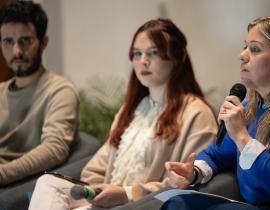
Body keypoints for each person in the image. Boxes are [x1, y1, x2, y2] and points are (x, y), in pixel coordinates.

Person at [28, 18, 218, 209]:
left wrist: (126, 194)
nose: (143, 61)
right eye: (137, 54)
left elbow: (184, 185)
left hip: (143, 204)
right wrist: (98, 191)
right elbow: (95, 168)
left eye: (154, 52)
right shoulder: (133, 109)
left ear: (178, 57)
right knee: (48, 182)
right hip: (108, 201)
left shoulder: (196, 113)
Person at [163, 16, 270, 210]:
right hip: (251, 206)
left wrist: (242, 136)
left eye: (255, 49)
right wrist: (193, 171)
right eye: (245, 47)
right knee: (176, 203)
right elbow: (216, 154)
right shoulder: (252, 108)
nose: (242, 55)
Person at [0, 1, 79, 186]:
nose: (16, 51)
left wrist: (2, 174)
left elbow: (54, 149)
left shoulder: (60, 91)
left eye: (25, 41)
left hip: (15, 185)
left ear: (43, 43)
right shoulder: (1, 90)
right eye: (8, 42)